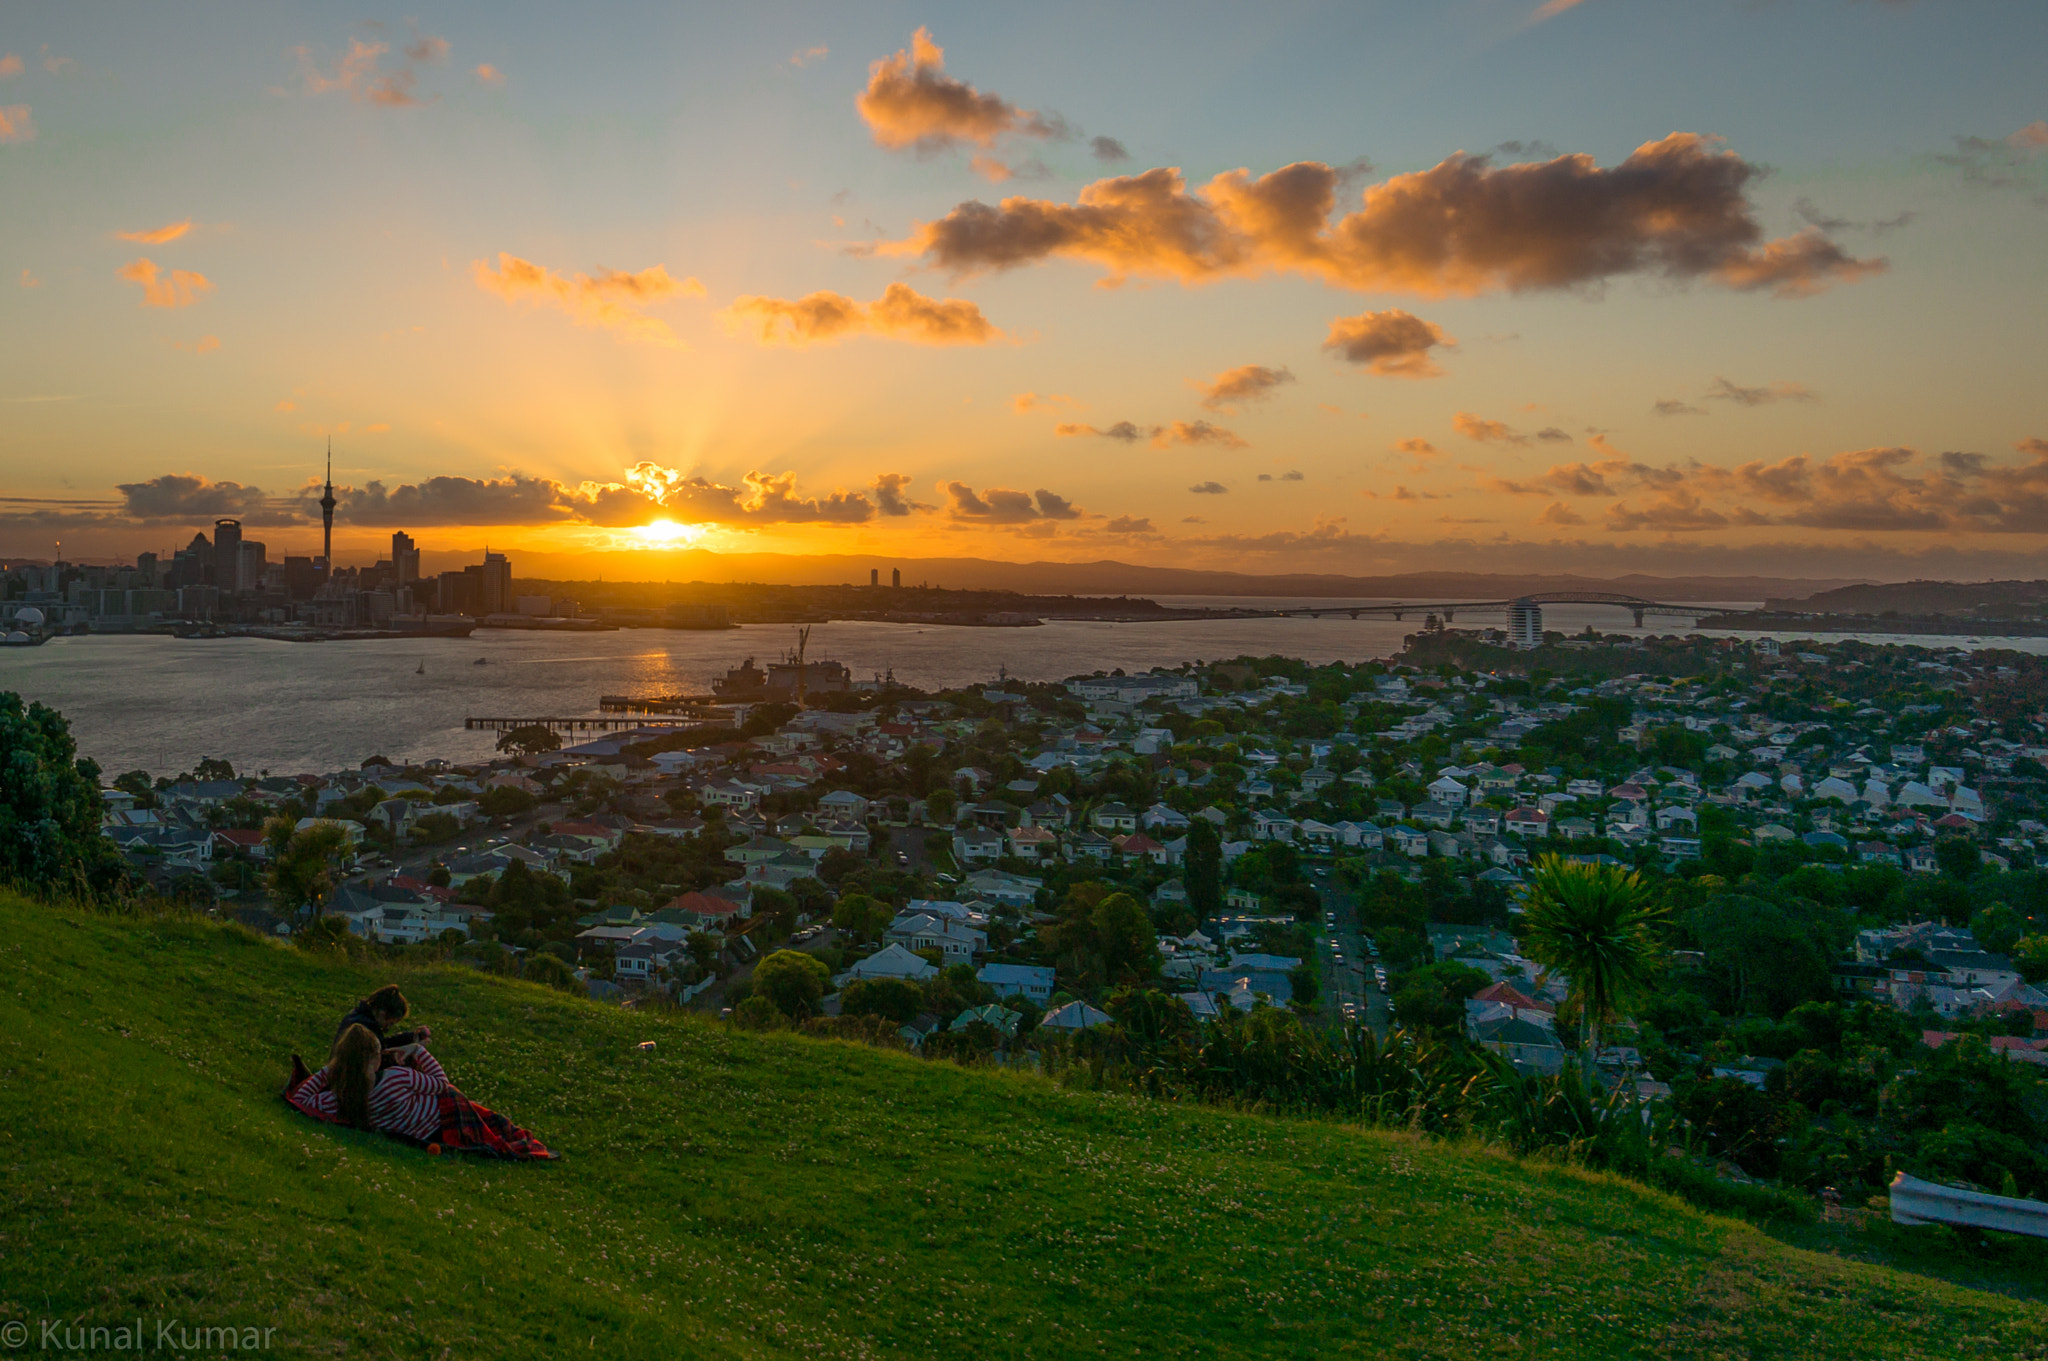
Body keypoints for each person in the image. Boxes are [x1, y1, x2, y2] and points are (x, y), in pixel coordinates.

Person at [286, 1023, 557, 1161]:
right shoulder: (396, 1077)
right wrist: (418, 1050)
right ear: (376, 1059)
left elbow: (300, 1099)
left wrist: (329, 1070)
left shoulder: (339, 1100)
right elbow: (442, 1084)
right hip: (442, 1114)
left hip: (421, 1130)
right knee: (493, 1124)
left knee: (490, 1124)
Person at [333, 984, 431, 1056]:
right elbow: (379, 1060)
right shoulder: (365, 1029)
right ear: (382, 1014)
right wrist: (413, 1050)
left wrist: (411, 1037)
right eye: (390, 1023)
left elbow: (382, 1044)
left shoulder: (358, 1017)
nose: (387, 1028)